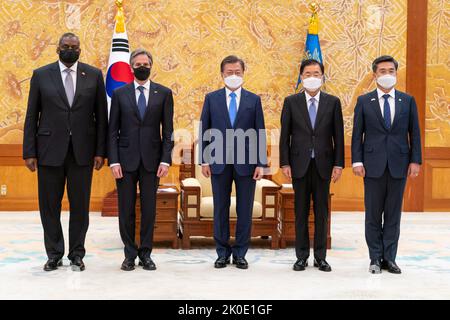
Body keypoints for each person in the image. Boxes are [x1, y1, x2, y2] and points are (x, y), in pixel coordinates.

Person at [22, 32, 108, 272]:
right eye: (66, 46)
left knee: (80, 206)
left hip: (83, 151)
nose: (71, 50)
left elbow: (102, 117)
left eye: (75, 47)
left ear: (80, 50)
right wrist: (29, 151)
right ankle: (54, 253)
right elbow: (32, 115)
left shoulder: (93, 75)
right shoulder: (41, 75)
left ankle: (77, 253)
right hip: (49, 151)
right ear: (57, 48)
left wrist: (101, 151)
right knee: (49, 205)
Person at [351, 55, 422, 274]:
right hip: (372, 165)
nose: (387, 74)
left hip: (399, 164)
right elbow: (357, 135)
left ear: (396, 74)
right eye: (382, 71)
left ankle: (389, 258)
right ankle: (374, 258)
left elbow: (415, 133)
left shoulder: (407, 101)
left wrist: (415, 160)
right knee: (373, 214)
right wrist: (356, 160)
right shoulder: (364, 101)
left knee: (393, 214)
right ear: (374, 75)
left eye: (391, 70)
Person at [108, 48, 174, 271]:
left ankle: (146, 253)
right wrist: (113, 161)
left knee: (149, 210)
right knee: (125, 209)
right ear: (130, 67)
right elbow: (112, 131)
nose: (142, 67)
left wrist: (165, 160)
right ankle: (129, 254)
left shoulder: (163, 94)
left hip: (152, 162)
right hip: (124, 163)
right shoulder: (119, 94)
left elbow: (168, 131)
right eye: (138, 64)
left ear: (151, 66)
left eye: (145, 64)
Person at [199, 55, 267, 269]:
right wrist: (204, 160)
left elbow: (260, 132)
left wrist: (260, 163)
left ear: (243, 74)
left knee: (244, 209)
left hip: (247, 164)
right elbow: (205, 130)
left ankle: (240, 252)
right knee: (221, 208)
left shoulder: (253, 100)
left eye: (237, 72)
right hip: (218, 162)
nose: (233, 76)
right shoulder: (212, 98)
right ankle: (221, 252)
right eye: (229, 73)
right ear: (222, 75)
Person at [280, 59, 344, 272]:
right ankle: (301, 256)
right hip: (299, 165)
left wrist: (338, 164)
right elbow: (285, 136)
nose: (312, 77)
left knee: (321, 213)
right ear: (301, 77)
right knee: (300, 212)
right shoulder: (291, 102)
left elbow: (339, 136)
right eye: (308, 74)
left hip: (324, 166)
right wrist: (285, 162)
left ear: (322, 77)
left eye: (316, 73)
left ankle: (320, 257)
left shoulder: (333, 102)